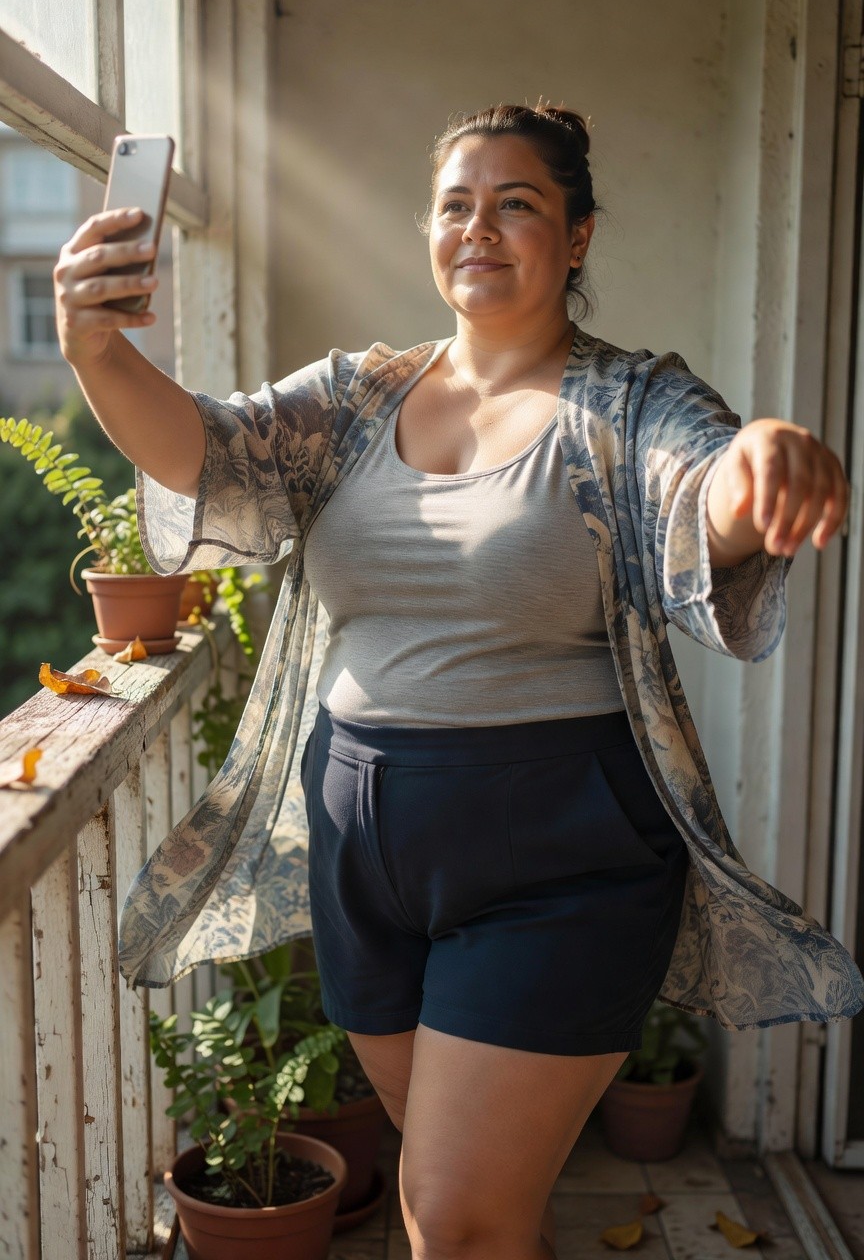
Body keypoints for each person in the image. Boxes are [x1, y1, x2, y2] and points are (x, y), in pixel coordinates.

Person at [55, 103, 862, 1260]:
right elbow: (209, 452)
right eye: (455, 204)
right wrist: (95, 349)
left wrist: (766, 453)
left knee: (457, 1220)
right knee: (472, 1208)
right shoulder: (353, 399)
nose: (479, 227)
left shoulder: (628, 406)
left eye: (518, 203)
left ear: (577, 237)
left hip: (562, 859)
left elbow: (711, 491)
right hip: (365, 862)